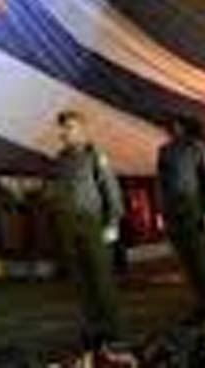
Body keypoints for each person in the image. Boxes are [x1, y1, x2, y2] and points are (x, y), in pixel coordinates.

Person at [50, 110, 125, 354]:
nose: (65, 132)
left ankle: (113, 332)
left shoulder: (95, 155)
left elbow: (110, 190)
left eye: (70, 127)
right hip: (69, 225)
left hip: (93, 223)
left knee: (101, 279)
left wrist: (113, 222)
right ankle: (92, 330)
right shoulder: (61, 158)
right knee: (81, 282)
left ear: (82, 129)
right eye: (62, 127)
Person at [157, 116, 205, 319]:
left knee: (204, 259)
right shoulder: (164, 151)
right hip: (174, 211)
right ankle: (201, 303)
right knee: (187, 260)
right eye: (167, 125)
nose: (170, 128)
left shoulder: (197, 148)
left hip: (195, 208)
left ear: (182, 127)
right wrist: (161, 212)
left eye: (174, 125)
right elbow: (161, 184)